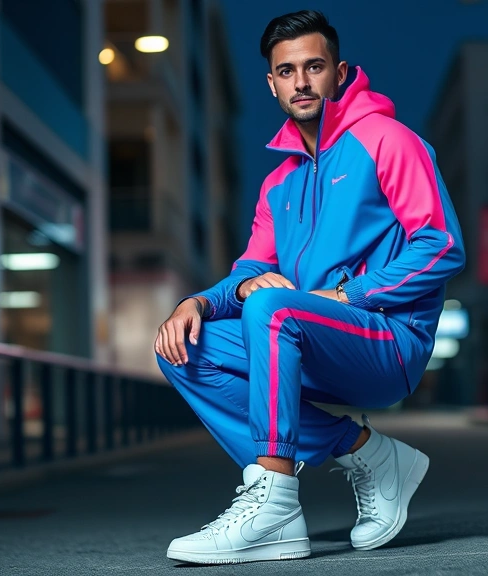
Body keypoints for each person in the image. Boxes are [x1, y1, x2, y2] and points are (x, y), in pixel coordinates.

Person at [155, 9, 465, 565]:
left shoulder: (387, 140)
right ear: (271, 82)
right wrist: (195, 302)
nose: (301, 81)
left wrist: (351, 296)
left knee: (273, 308)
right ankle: (366, 453)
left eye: (314, 66)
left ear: (339, 73)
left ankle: (274, 500)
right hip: (309, 336)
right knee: (182, 347)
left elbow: (442, 245)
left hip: (388, 340)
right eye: (287, 70)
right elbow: (250, 270)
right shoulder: (279, 181)